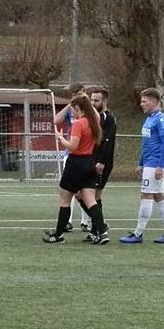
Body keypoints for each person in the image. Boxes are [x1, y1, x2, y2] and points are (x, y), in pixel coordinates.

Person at [43, 94, 108, 245]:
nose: (72, 112)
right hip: (89, 162)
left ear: (78, 108)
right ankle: (102, 232)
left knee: (65, 199)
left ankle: (58, 235)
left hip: (75, 163)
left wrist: (60, 138)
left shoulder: (79, 123)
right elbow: (94, 113)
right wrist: (84, 99)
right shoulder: (94, 120)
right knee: (90, 200)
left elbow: (73, 146)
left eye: (73, 109)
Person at [120, 88, 164, 244]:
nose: (141, 104)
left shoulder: (161, 119)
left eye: (144, 101)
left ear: (153, 102)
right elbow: (146, 144)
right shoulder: (149, 119)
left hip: (154, 164)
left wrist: (160, 165)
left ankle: (138, 233)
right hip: (148, 163)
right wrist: (141, 163)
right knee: (159, 196)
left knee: (146, 196)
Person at [52, 82, 87, 232]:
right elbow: (56, 120)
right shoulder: (71, 109)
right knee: (69, 190)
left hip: (86, 155)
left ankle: (86, 221)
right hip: (71, 154)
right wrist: (69, 105)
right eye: (73, 95)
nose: (76, 97)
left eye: (78, 94)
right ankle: (68, 220)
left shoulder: (89, 110)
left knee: (86, 190)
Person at [84, 87, 117, 241]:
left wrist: (102, 162)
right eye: (91, 100)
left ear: (104, 101)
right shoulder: (93, 117)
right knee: (84, 194)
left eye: (96, 100)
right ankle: (98, 225)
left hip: (102, 162)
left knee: (95, 194)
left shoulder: (108, 119)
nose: (92, 103)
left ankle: (98, 230)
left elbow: (108, 143)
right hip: (91, 160)